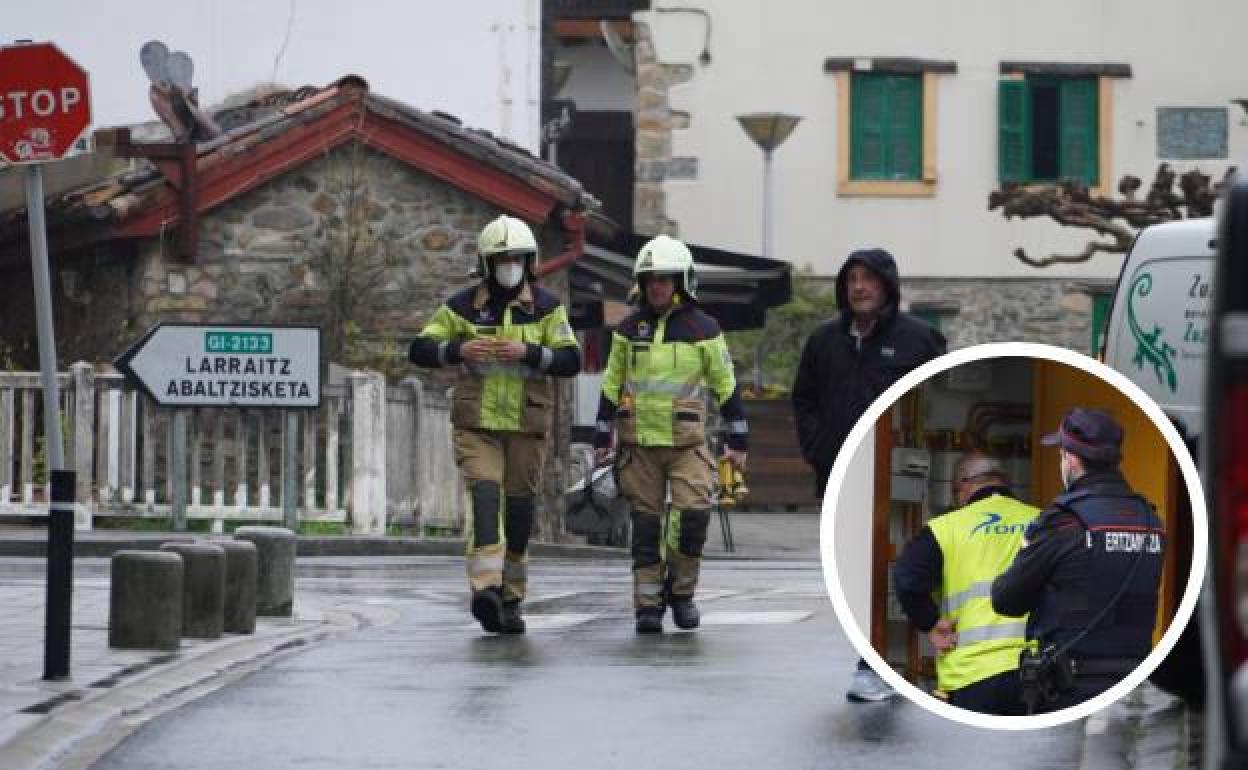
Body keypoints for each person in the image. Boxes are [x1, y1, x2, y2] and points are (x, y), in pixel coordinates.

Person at [409, 214, 581, 634]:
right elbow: (420, 347)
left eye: (517, 259)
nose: (510, 266)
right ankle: (486, 588)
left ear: (529, 262)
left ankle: (512, 597)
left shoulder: (546, 309)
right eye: (502, 259)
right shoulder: (463, 307)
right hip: (478, 425)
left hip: (526, 426)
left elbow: (571, 359)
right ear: (487, 264)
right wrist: (457, 348)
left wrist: (530, 352)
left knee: (520, 512)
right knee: (486, 497)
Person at [791, 247, 946, 702]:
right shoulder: (824, 341)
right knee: (853, 572)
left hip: (900, 477)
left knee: (892, 569)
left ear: (887, 287)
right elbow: (803, 400)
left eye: (869, 279)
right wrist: (817, 452)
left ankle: (879, 663)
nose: (859, 287)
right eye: (852, 279)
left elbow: (937, 399)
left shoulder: (920, 340)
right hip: (839, 474)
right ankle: (886, 658)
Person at [593, 234, 748, 633]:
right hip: (639, 444)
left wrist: (739, 439)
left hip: (687, 444)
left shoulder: (704, 328)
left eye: (665, 278)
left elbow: (725, 384)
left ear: (681, 282)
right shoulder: (629, 329)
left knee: (692, 517)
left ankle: (682, 594)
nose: (657, 286)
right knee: (645, 526)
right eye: (651, 279)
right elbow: (612, 383)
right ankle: (647, 605)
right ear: (641, 283)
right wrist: (601, 433)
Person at [991, 408, 1166, 713]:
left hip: (1072, 684)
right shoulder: (1149, 520)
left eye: (1061, 455)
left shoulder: (1064, 522)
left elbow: (1006, 599)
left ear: (1071, 459)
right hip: (1135, 678)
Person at [893, 452, 1040, 714]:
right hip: (1036, 670)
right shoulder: (1042, 522)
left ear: (963, 484)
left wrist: (930, 623)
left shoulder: (945, 527)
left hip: (971, 674)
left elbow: (907, 579)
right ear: (1005, 482)